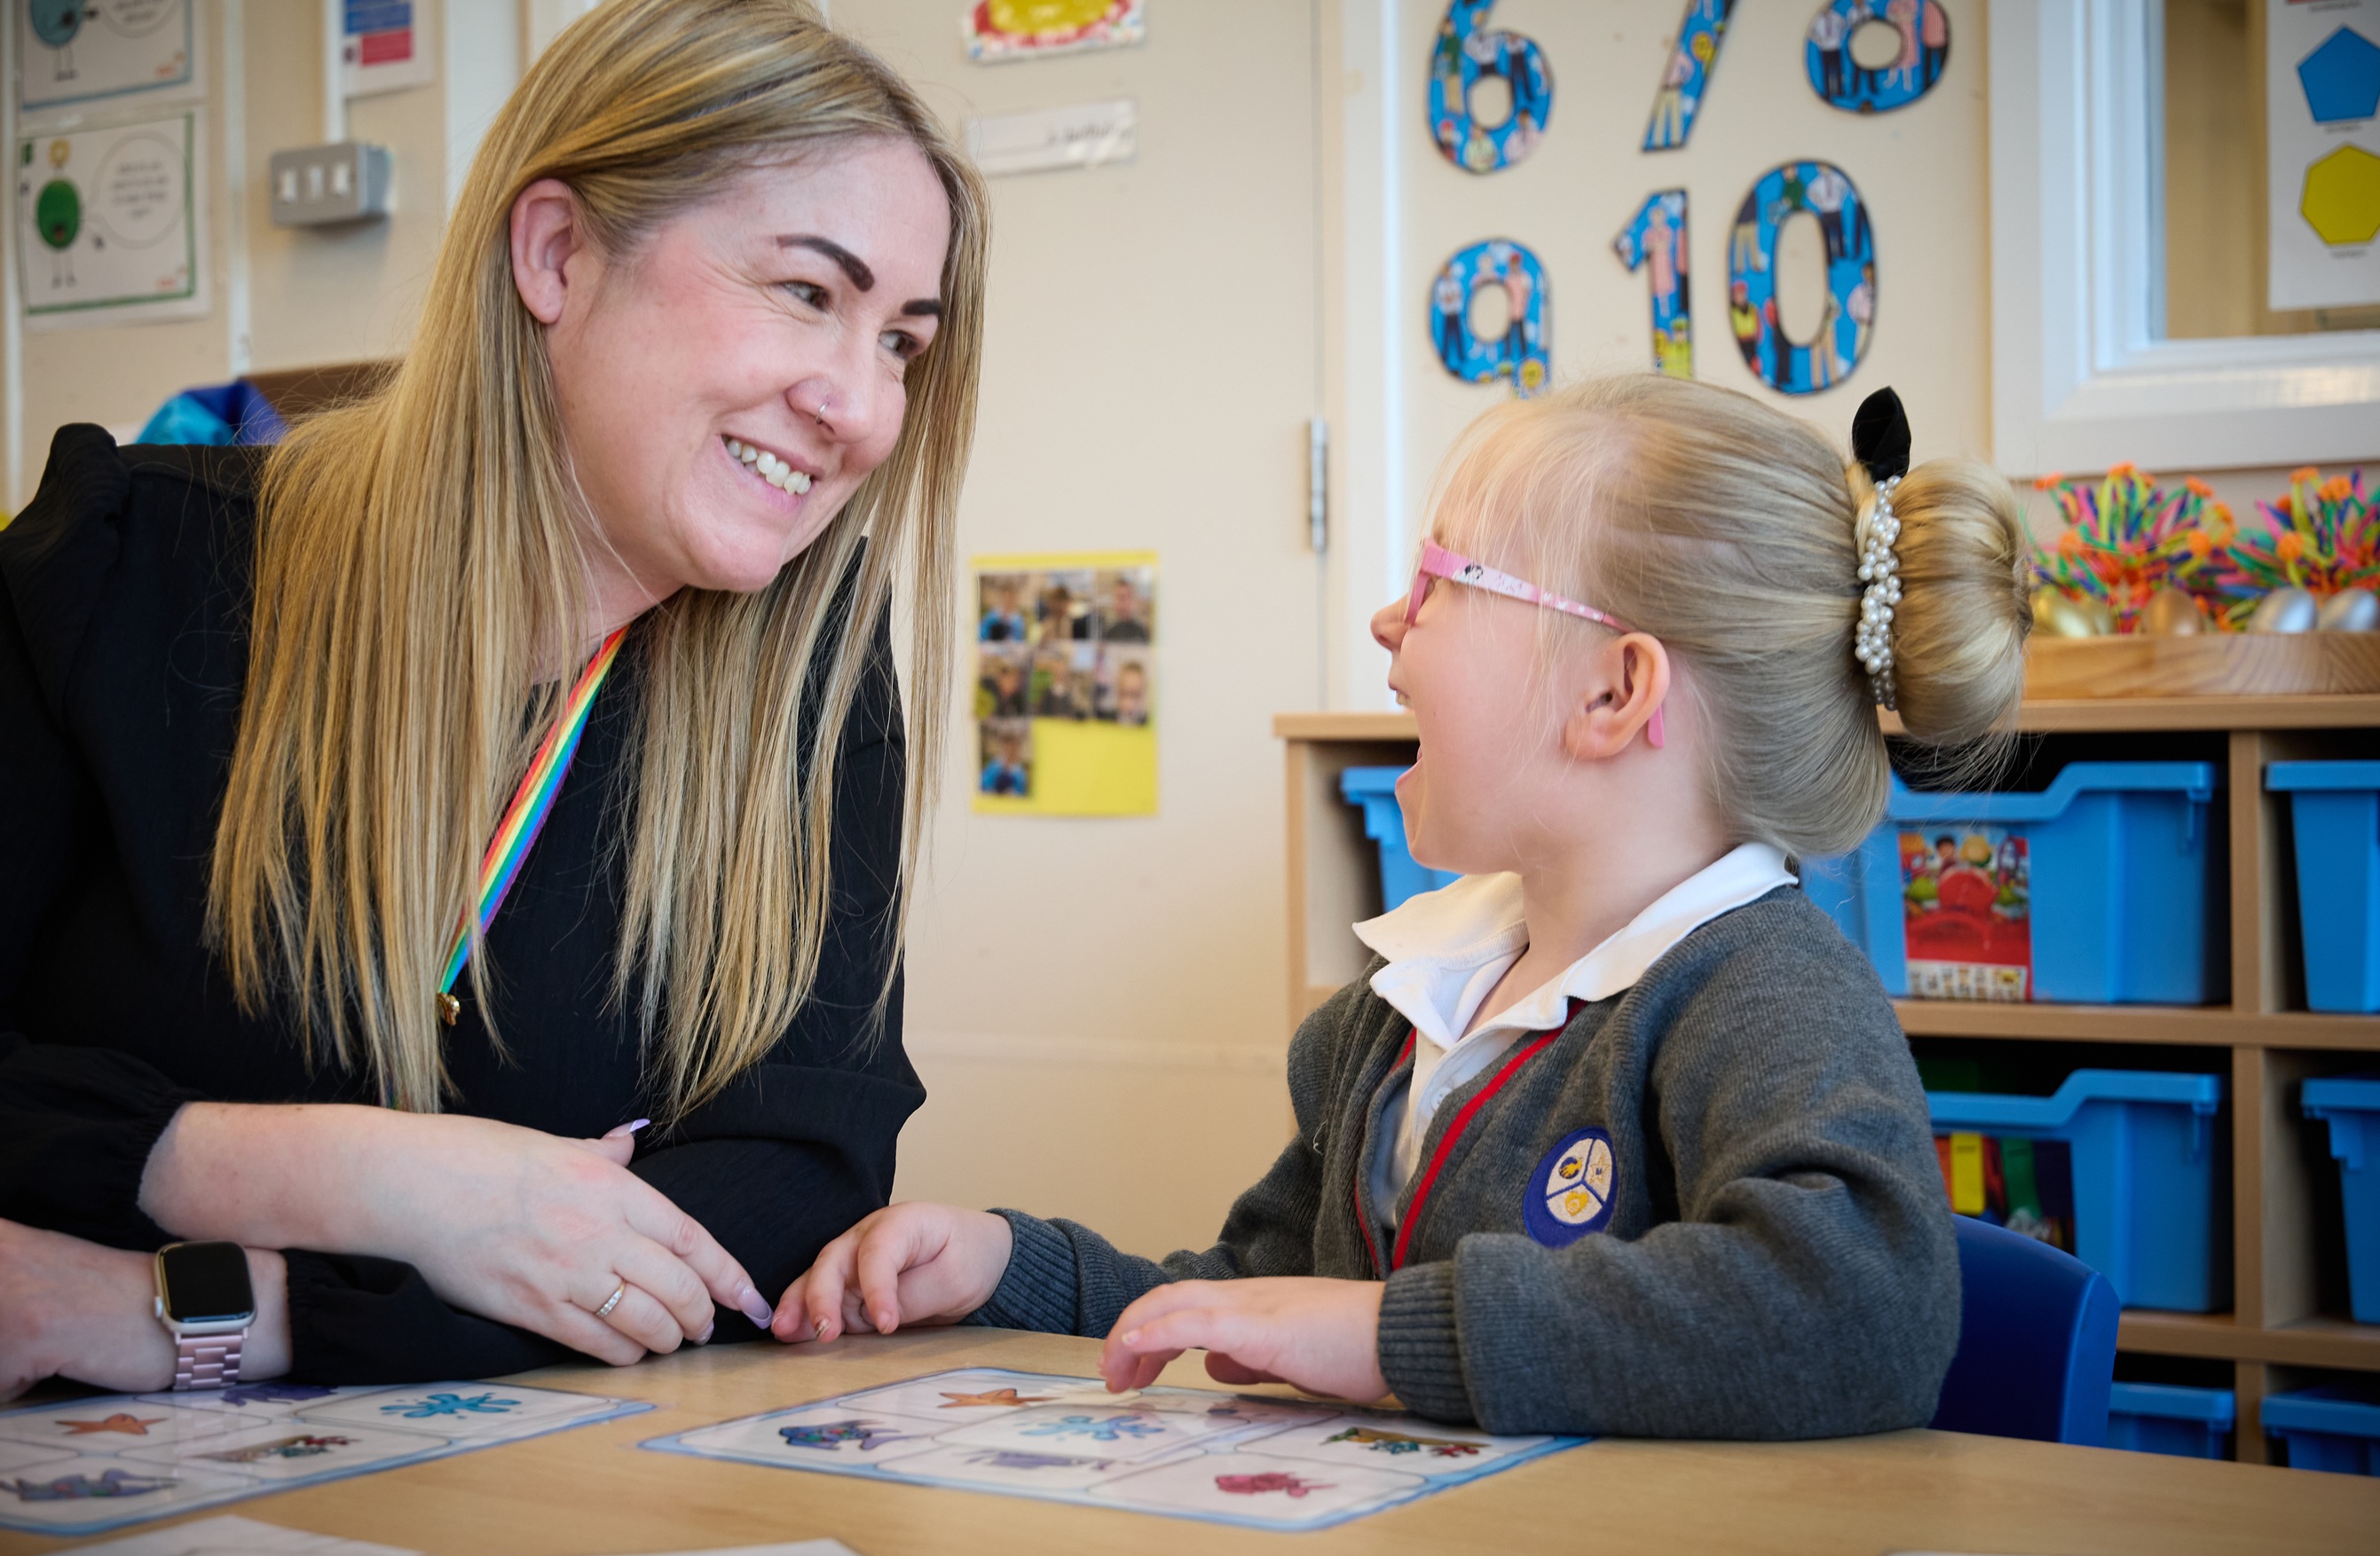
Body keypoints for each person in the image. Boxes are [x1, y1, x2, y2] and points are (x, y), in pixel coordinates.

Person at [0, 0, 986, 1398]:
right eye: (807, 293)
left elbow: (785, 1193)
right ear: (557, 254)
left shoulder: (813, 674)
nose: (864, 411)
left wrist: (183, 1308)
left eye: (901, 343)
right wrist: (363, 1178)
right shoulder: (122, 566)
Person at [772, 375, 2032, 1440]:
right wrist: (1007, 1264)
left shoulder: (1760, 991)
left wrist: (1389, 1336)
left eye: (1440, 581)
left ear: (1612, 693)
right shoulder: (1400, 1009)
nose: (1390, 619)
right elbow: (1256, 1302)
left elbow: (1864, 1311)